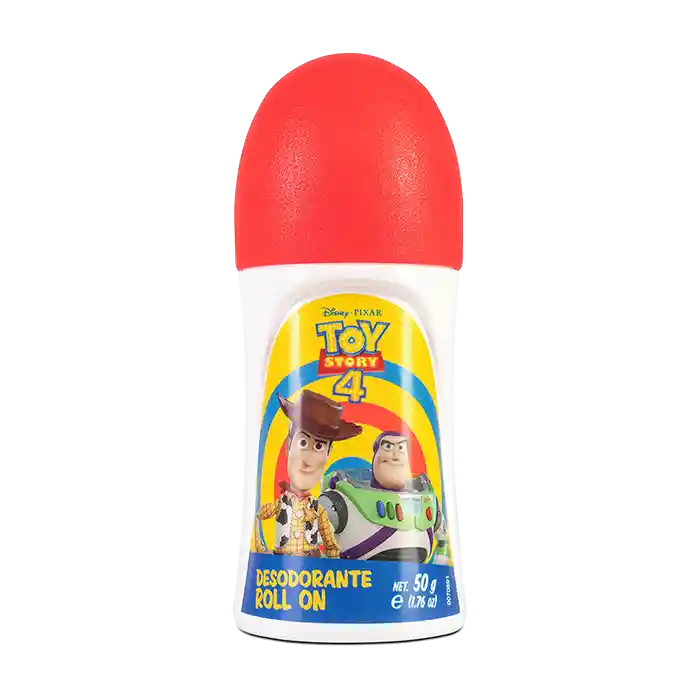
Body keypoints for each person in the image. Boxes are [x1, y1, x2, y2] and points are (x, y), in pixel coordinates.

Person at [254, 390, 363, 557]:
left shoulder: (319, 511)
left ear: (328, 454)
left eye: (319, 446)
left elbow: (331, 546)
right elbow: (258, 516)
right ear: (288, 445)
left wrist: (334, 565)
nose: (308, 460)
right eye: (303, 442)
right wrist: (260, 548)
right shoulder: (281, 504)